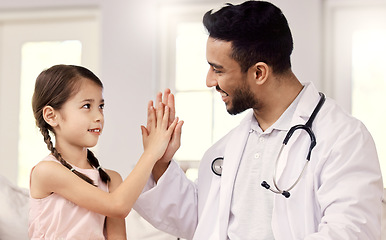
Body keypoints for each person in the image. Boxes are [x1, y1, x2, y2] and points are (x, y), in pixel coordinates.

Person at [133, 1, 384, 239]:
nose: (209, 81)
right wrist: (161, 163)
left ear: (259, 72)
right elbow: (203, 220)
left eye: (218, 69)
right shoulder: (229, 147)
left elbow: (353, 231)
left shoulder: (344, 138)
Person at [29, 64, 183, 239]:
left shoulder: (111, 180)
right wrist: (151, 152)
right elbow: (118, 206)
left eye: (101, 106)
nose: (99, 116)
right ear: (51, 116)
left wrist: (158, 155)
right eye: (87, 106)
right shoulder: (47, 171)